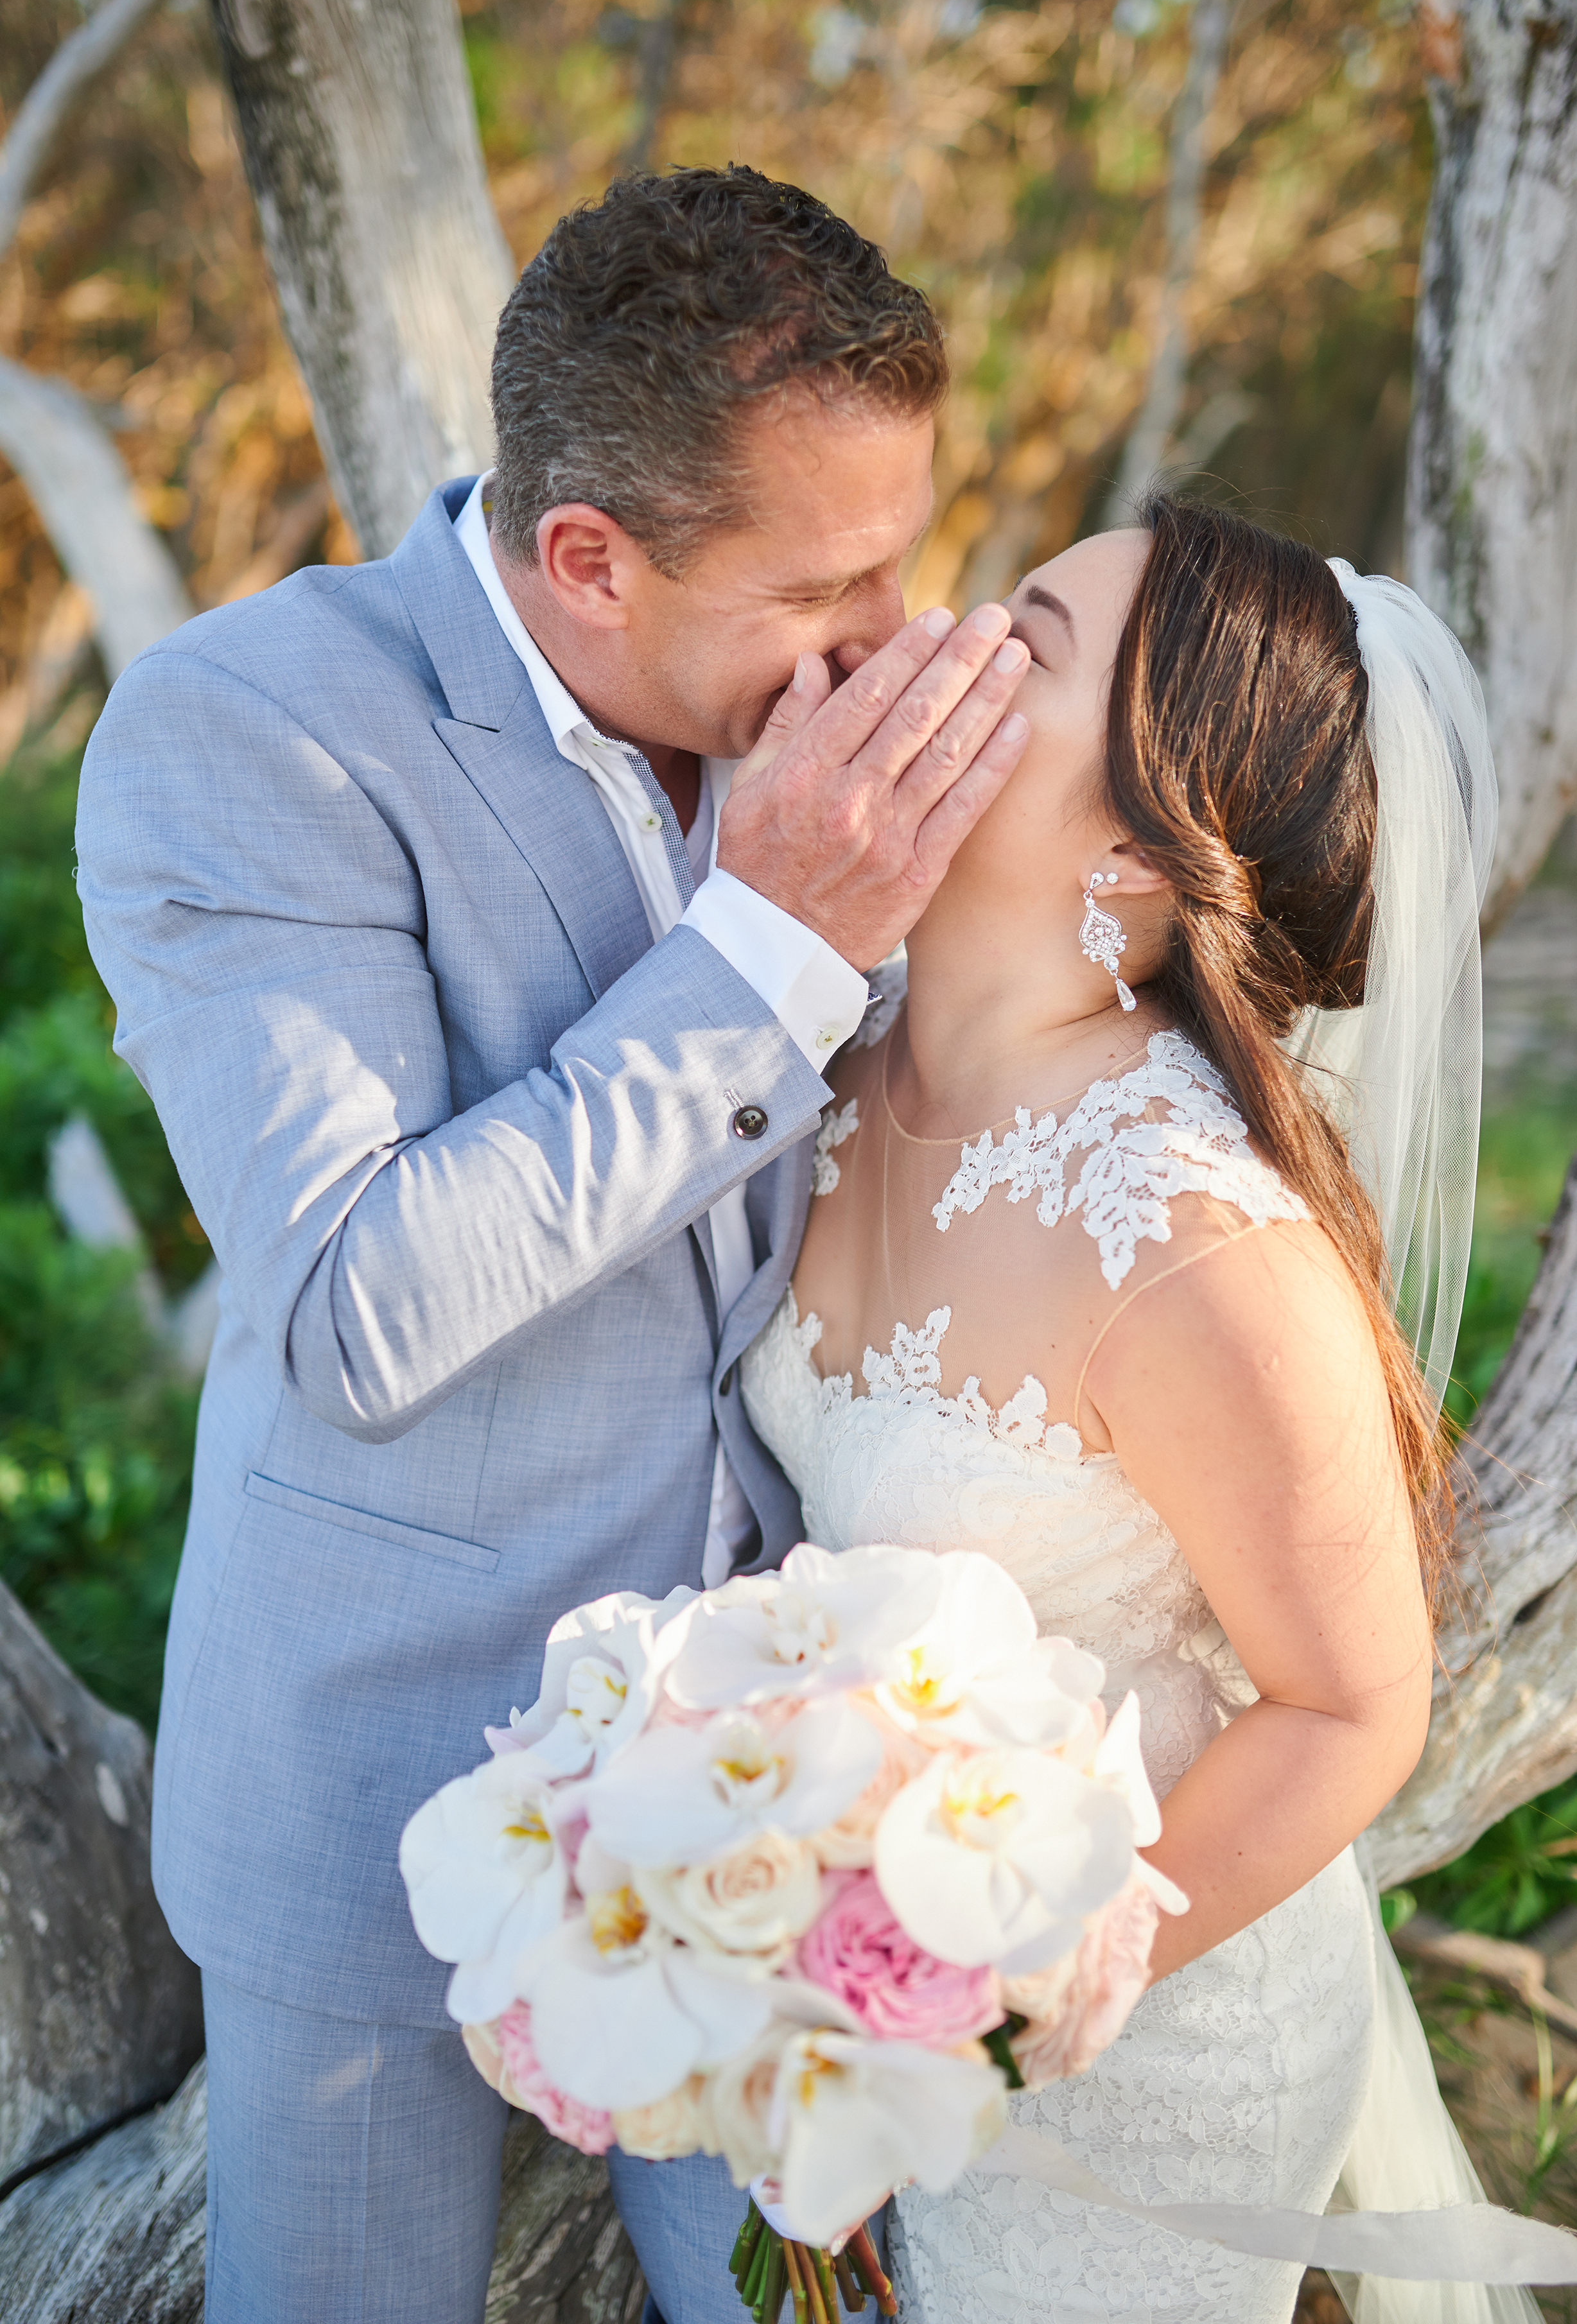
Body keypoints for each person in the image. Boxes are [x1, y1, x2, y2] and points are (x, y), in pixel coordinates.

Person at [73, 166, 1034, 2324]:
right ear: (588, 561)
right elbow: (356, 1305)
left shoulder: (828, 716)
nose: (894, 634)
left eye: (909, 547)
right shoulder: (248, 739)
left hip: (792, 1809)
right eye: (830, 579)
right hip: (375, 1792)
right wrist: (771, 944)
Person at [740, 494, 1538, 2323]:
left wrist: (991, 2008)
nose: (941, 641)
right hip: (880, 1978)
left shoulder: (1192, 1251)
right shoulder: (820, 1052)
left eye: (1022, 643)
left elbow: (1357, 1706)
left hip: (1139, 2058)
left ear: (1138, 851)